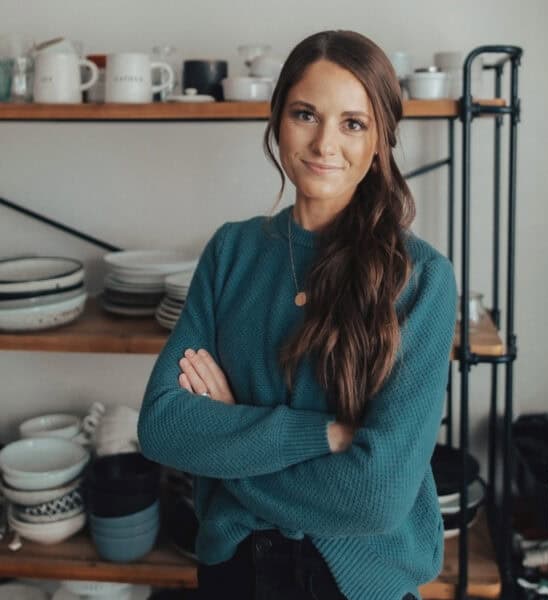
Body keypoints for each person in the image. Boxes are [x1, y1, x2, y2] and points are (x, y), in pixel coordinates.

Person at [138, 29, 457, 600]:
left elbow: (377, 496)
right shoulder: (231, 251)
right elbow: (163, 426)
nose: (324, 143)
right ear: (277, 121)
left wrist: (231, 435)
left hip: (358, 582)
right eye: (305, 114)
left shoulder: (422, 278)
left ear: (381, 139)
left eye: (353, 123)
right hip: (232, 571)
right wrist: (325, 435)